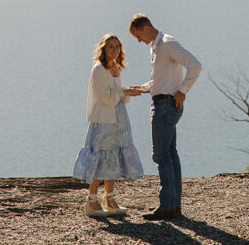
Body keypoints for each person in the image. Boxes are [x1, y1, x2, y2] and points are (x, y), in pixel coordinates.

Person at [128, 13, 202, 222]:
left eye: (137, 36)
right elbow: (160, 80)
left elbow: (195, 65)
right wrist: (143, 88)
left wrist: (183, 90)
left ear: (144, 28)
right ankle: (174, 206)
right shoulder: (157, 47)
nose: (138, 41)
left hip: (166, 106)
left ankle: (167, 206)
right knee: (170, 154)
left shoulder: (167, 44)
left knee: (160, 156)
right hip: (164, 103)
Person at [73, 33, 144, 218]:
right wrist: (124, 92)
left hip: (118, 118)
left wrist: (126, 92)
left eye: (117, 46)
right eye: (111, 46)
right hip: (104, 120)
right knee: (101, 157)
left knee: (113, 156)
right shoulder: (98, 69)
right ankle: (92, 200)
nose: (114, 50)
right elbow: (106, 97)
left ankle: (110, 199)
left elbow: (116, 94)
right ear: (103, 49)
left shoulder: (115, 67)